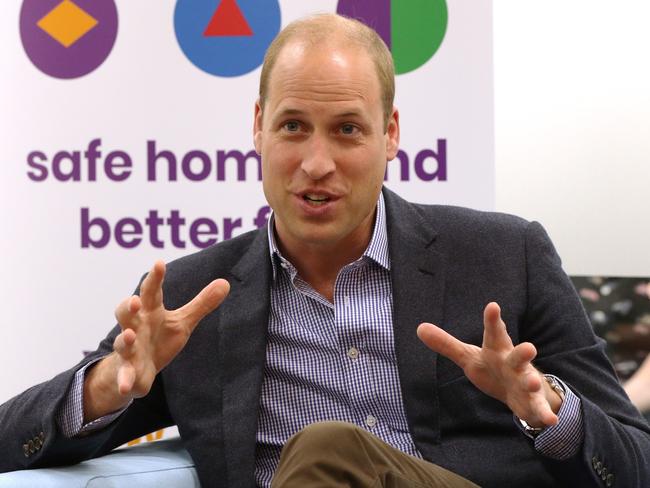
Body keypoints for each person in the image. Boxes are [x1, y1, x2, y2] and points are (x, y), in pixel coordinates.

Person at [1, 13, 649, 487]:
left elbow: (634, 459)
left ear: (390, 135)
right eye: (292, 128)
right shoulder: (194, 302)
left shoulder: (506, 256)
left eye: (346, 130)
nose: (316, 163)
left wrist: (550, 413)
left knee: (327, 450)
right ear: (257, 128)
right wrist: (105, 389)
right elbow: (10, 437)